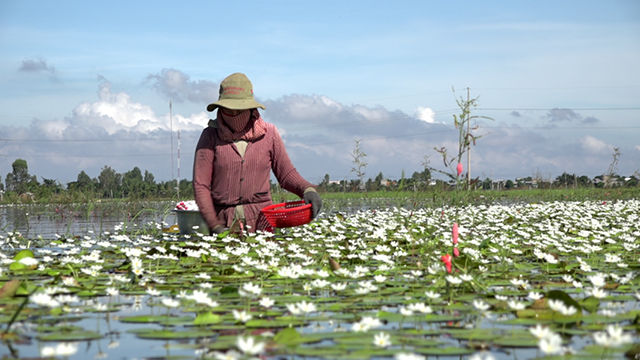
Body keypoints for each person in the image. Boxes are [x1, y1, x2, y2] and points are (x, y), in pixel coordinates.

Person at [193, 73, 322, 234]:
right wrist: (215, 225)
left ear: (250, 108)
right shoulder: (211, 136)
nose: (233, 116)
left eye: (239, 110)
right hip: (224, 222)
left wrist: (307, 189)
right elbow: (201, 186)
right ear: (220, 109)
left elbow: (286, 174)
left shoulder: (269, 134)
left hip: (262, 222)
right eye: (228, 110)